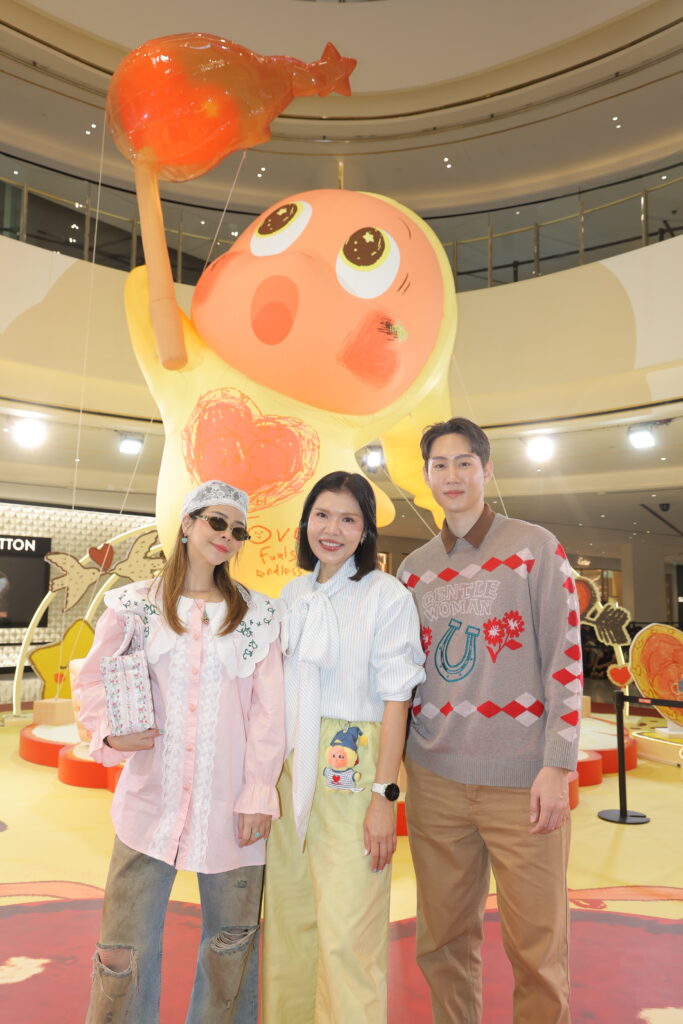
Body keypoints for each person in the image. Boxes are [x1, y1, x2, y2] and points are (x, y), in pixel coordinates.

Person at [77, 480, 285, 1024]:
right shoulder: (133, 606)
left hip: (232, 810)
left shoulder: (257, 616)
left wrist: (258, 791)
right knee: (122, 949)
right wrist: (109, 734)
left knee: (232, 947)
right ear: (188, 523)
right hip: (149, 806)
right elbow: (94, 680)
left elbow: (269, 713)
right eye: (217, 522)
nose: (227, 535)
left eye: (238, 530)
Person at [398, 418, 581, 1024]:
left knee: (537, 950)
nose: (451, 476)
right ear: (426, 476)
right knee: (442, 943)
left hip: (522, 782)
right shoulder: (413, 570)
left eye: (464, 463)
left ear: (487, 470)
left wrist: (557, 764)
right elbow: (403, 676)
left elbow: (565, 660)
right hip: (435, 781)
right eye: (439, 465)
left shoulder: (535, 547)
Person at [262, 471, 425, 1023]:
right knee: (288, 920)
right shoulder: (293, 594)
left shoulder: (386, 595)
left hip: (354, 769)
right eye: (322, 515)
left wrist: (384, 796)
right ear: (306, 521)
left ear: (365, 531)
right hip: (292, 766)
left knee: (348, 934)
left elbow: (397, 700)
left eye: (348, 519)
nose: (332, 529)